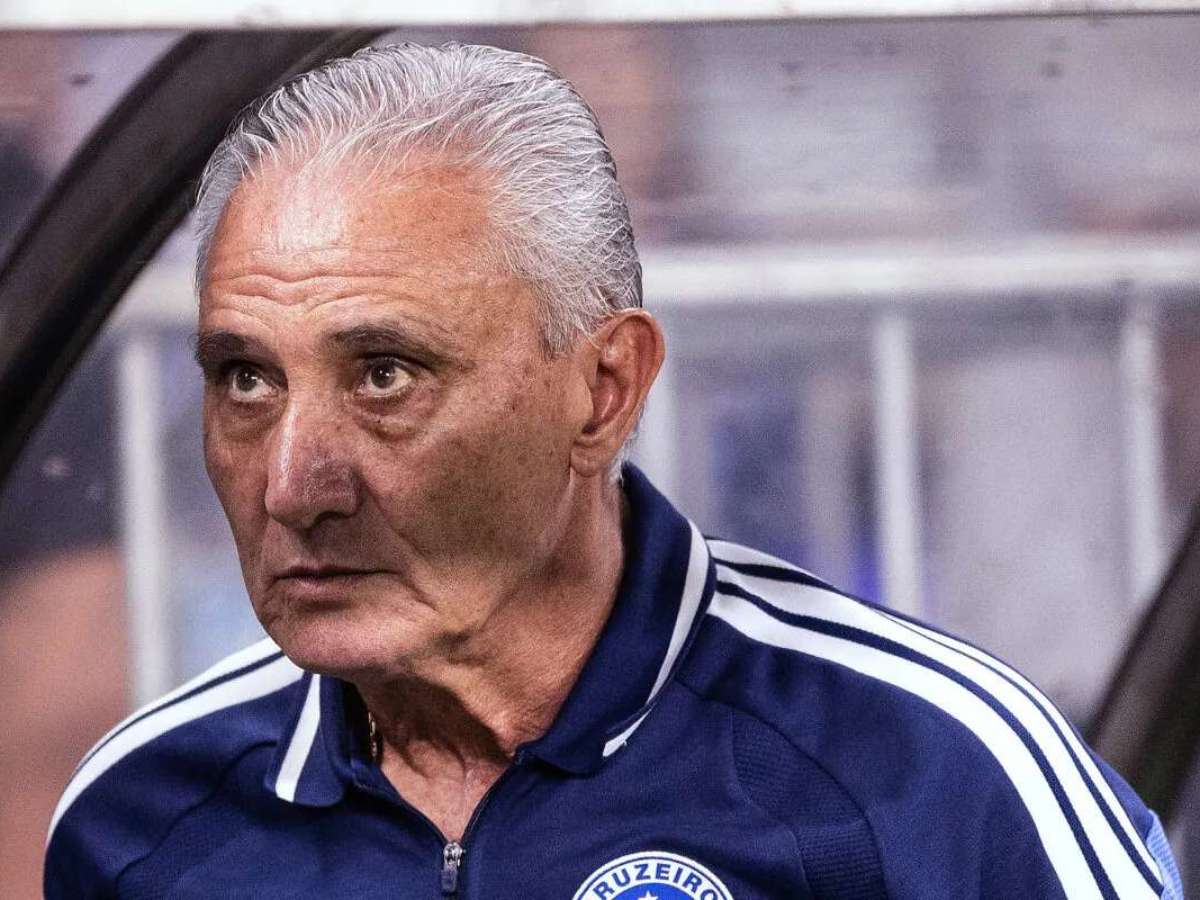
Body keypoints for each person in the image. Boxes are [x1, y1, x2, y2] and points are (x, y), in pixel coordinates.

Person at [45, 43, 1184, 900]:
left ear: (604, 391)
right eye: (246, 379)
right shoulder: (143, 818)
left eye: (386, 375)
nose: (293, 485)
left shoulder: (932, 778)